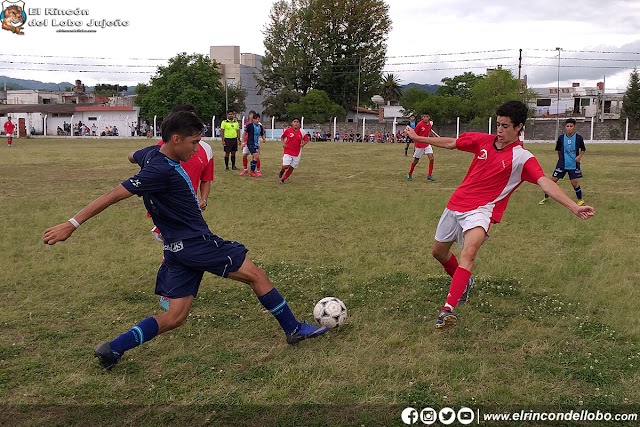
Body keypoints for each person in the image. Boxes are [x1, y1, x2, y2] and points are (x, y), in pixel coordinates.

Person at [43, 110, 328, 371]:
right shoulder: (159, 169)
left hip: (176, 249)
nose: (197, 148)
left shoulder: (151, 154)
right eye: (193, 142)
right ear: (176, 139)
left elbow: (133, 155)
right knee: (256, 275)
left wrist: (135, 155)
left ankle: (113, 349)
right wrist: (71, 224)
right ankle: (293, 329)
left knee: (175, 317)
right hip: (197, 243)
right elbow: (113, 195)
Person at [405, 100, 595, 330]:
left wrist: (574, 207)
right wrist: (419, 139)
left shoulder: (522, 158)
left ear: (519, 128)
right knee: (438, 252)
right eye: (498, 125)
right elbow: (451, 143)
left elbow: (545, 183)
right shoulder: (483, 141)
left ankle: (447, 310)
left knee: (469, 252)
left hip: (482, 211)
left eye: (505, 126)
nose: (500, 130)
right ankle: (464, 281)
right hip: (456, 204)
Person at [147, 104, 213, 311]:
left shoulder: (205, 148)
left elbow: (206, 178)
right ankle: (170, 294)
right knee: (176, 247)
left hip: (189, 210)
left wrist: (203, 198)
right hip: (167, 210)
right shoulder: (161, 148)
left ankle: (174, 291)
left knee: (179, 248)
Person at [539, 118, 586, 206]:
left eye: (571, 126)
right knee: (552, 181)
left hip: (573, 164)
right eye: (567, 126)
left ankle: (580, 200)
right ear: (565, 127)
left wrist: (579, 156)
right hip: (562, 164)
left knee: (574, 183)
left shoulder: (578, 138)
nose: (569, 128)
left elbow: (583, 149)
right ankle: (546, 197)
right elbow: (558, 150)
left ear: (574, 127)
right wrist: (561, 160)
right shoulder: (561, 138)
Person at [407, 113, 436, 182]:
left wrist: (434, 138)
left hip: (427, 143)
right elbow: (414, 133)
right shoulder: (420, 124)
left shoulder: (430, 124)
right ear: (422, 117)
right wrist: (416, 142)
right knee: (416, 160)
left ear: (429, 117)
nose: (426, 118)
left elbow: (429, 131)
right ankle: (410, 173)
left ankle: (429, 175)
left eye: (427, 116)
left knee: (431, 159)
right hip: (419, 144)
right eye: (424, 117)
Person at [279, 118, 309, 184]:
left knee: (292, 167)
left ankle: (283, 179)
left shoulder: (302, 132)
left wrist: (303, 144)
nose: (296, 123)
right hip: (288, 151)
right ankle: (282, 170)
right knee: (286, 165)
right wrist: (283, 143)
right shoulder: (288, 130)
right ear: (292, 123)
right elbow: (282, 137)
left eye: (297, 122)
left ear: (299, 124)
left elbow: (306, 139)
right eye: (294, 122)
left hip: (297, 152)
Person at [241, 112, 266, 177]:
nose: (258, 120)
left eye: (258, 119)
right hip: (249, 143)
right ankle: (248, 170)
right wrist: (243, 142)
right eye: (256, 119)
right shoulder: (249, 125)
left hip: (255, 143)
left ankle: (255, 170)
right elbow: (244, 134)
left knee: (256, 156)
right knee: (247, 155)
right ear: (253, 119)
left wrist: (263, 139)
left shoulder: (260, 126)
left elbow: (262, 133)